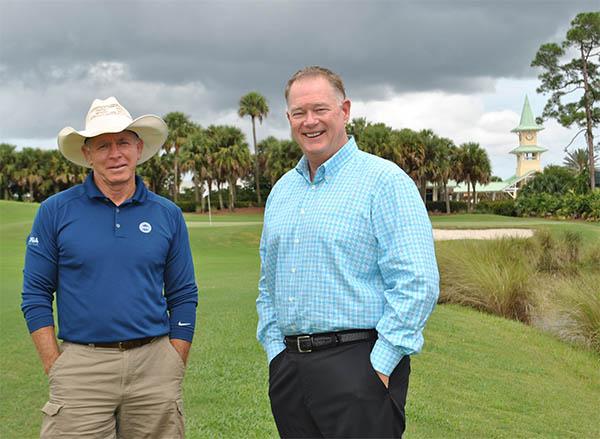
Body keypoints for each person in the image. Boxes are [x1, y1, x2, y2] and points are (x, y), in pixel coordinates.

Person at [256, 66, 439, 438]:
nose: (310, 122)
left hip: (359, 365)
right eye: (298, 112)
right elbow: (268, 284)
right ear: (289, 118)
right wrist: (276, 353)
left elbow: (417, 282)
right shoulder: (282, 191)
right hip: (291, 370)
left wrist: (381, 366)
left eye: (320, 109)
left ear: (345, 110)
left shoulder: (384, 182)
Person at [21, 97, 198, 438]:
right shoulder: (55, 211)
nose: (115, 154)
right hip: (82, 367)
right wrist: (54, 364)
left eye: (123, 143)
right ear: (87, 154)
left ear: (138, 147)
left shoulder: (167, 214)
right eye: (103, 145)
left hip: (154, 365)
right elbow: (36, 294)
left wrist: (175, 359)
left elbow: (183, 293)